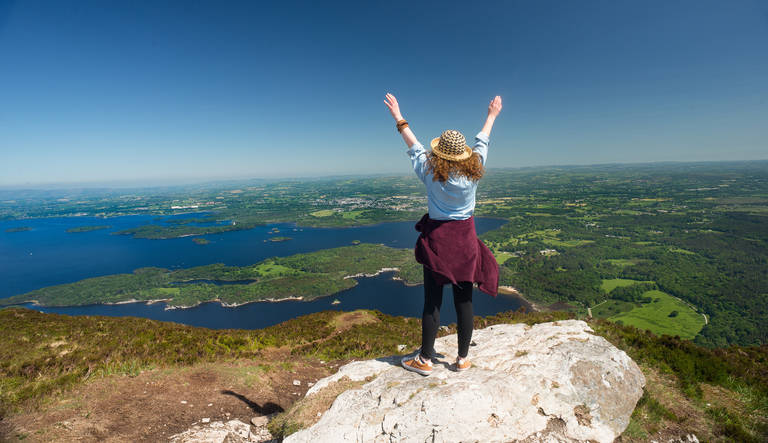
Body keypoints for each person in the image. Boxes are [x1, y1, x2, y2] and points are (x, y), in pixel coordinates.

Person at [383, 93, 502, 376]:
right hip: (465, 242)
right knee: (465, 301)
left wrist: (398, 117)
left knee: (432, 301)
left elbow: (414, 146)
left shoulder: (429, 171)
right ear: (463, 154)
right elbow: (482, 141)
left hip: (438, 243)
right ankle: (462, 359)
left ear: (439, 154)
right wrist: (492, 115)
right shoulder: (475, 171)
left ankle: (424, 360)